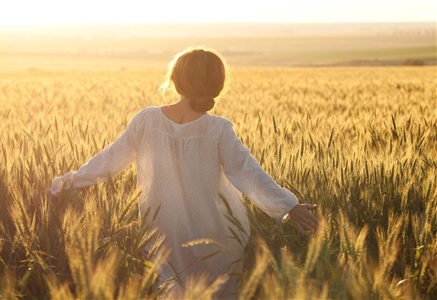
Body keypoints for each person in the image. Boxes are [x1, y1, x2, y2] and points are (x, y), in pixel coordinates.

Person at [47, 46, 319, 299]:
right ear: (217, 85)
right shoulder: (217, 129)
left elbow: (106, 163)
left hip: (162, 233)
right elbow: (248, 173)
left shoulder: (147, 120)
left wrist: (61, 185)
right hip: (215, 234)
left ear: (175, 80)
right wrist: (288, 206)